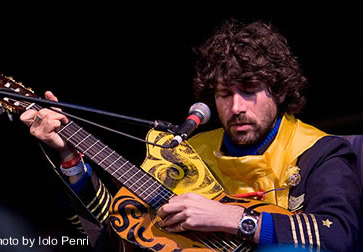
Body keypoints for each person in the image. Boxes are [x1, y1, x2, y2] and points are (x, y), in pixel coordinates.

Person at [20, 19, 360, 251]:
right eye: (225, 94)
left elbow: (338, 235)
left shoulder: (318, 151)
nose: (236, 106)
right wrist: (68, 156)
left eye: (250, 90)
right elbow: (117, 225)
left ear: (280, 91)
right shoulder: (187, 151)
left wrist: (231, 218)